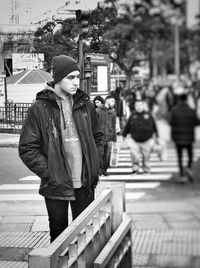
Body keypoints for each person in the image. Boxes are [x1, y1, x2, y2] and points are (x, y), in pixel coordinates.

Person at [18, 55, 103, 242]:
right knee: (59, 235)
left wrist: (96, 164)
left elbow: (98, 136)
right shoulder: (39, 108)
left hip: (85, 180)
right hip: (56, 183)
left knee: (85, 233)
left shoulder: (85, 104)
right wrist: (50, 172)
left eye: (78, 77)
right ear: (58, 78)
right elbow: (27, 148)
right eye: (70, 77)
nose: (76, 82)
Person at [122, 98, 159, 174]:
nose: (139, 107)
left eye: (140, 105)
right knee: (135, 155)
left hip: (147, 140)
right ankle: (135, 168)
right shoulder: (132, 116)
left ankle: (146, 168)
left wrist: (157, 137)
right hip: (134, 139)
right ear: (135, 107)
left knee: (146, 156)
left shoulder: (148, 115)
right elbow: (127, 126)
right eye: (137, 105)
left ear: (143, 106)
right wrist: (124, 134)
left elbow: (155, 127)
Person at [169, 93, 199, 183]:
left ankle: (182, 175)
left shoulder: (174, 110)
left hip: (177, 137)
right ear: (186, 100)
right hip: (189, 137)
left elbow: (170, 122)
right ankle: (189, 167)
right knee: (190, 154)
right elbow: (197, 122)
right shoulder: (191, 110)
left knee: (180, 156)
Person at [95, 95, 117, 176]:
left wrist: (114, 139)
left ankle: (104, 170)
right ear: (107, 100)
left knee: (107, 155)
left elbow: (114, 126)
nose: (113, 103)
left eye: (114, 102)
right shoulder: (97, 111)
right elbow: (93, 124)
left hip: (109, 137)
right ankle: (99, 170)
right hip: (99, 137)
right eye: (112, 101)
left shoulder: (113, 112)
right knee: (99, 155)